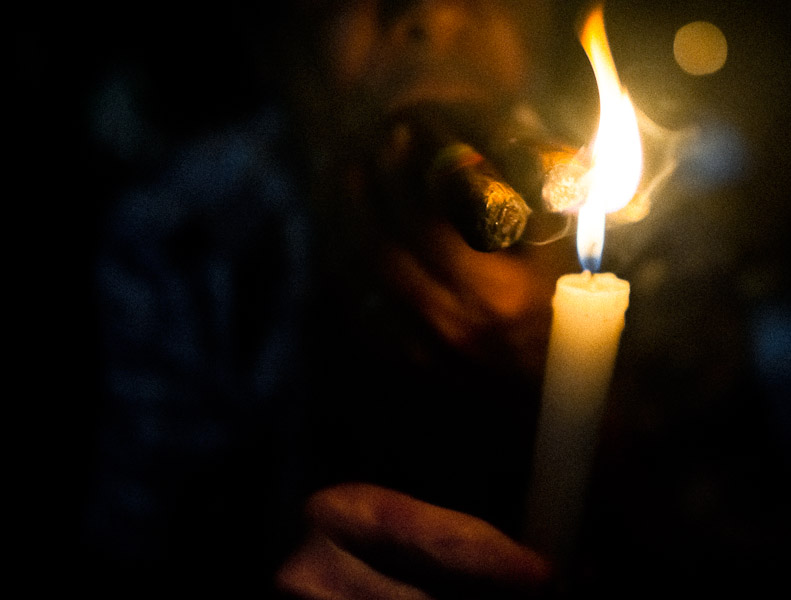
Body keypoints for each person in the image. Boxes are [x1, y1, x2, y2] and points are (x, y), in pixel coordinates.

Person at [79, 1, 589, 597]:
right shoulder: (189, 236)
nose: (432, 12)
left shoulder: (628, 215)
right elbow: (127, 554)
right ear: (284, 45)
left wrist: (545, 365)